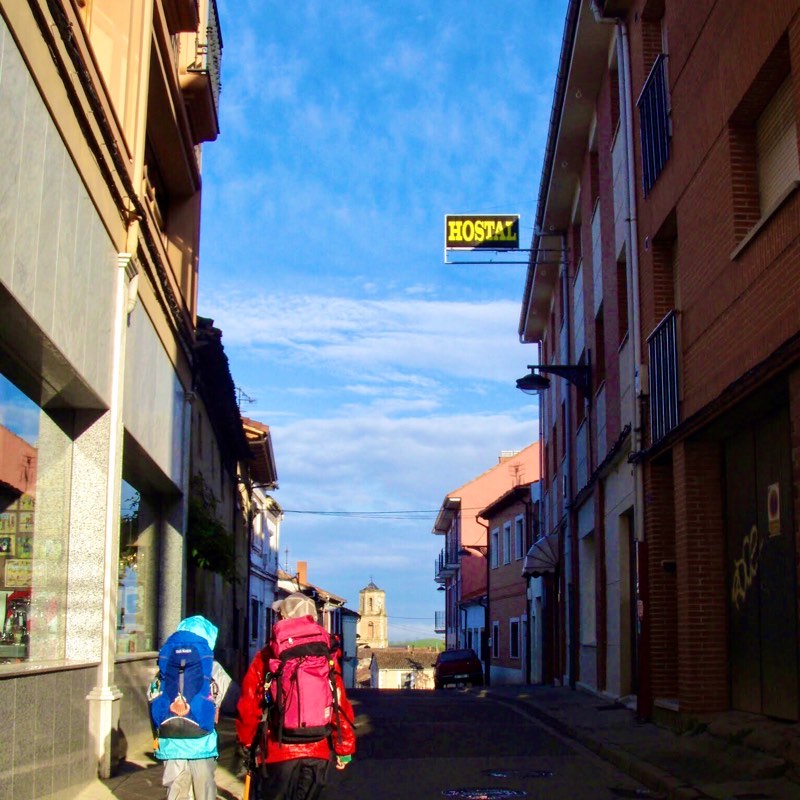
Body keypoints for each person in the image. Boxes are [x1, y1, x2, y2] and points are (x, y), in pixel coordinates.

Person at [236, 592, 356, 800]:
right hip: (318, 750)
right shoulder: (325, 655)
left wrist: (247, 743)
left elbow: (249, 703)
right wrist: (344, 747)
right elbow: (339, 702)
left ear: (283, 618)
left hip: (277, 750)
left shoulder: (267, 655)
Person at [150, 615, 232, 800]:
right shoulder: (214, 667)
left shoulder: (166, 663)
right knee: (204, 791)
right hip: (202, 741)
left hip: (171, 741)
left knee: (176, 791)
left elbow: (153, 695)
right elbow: (218, 702)